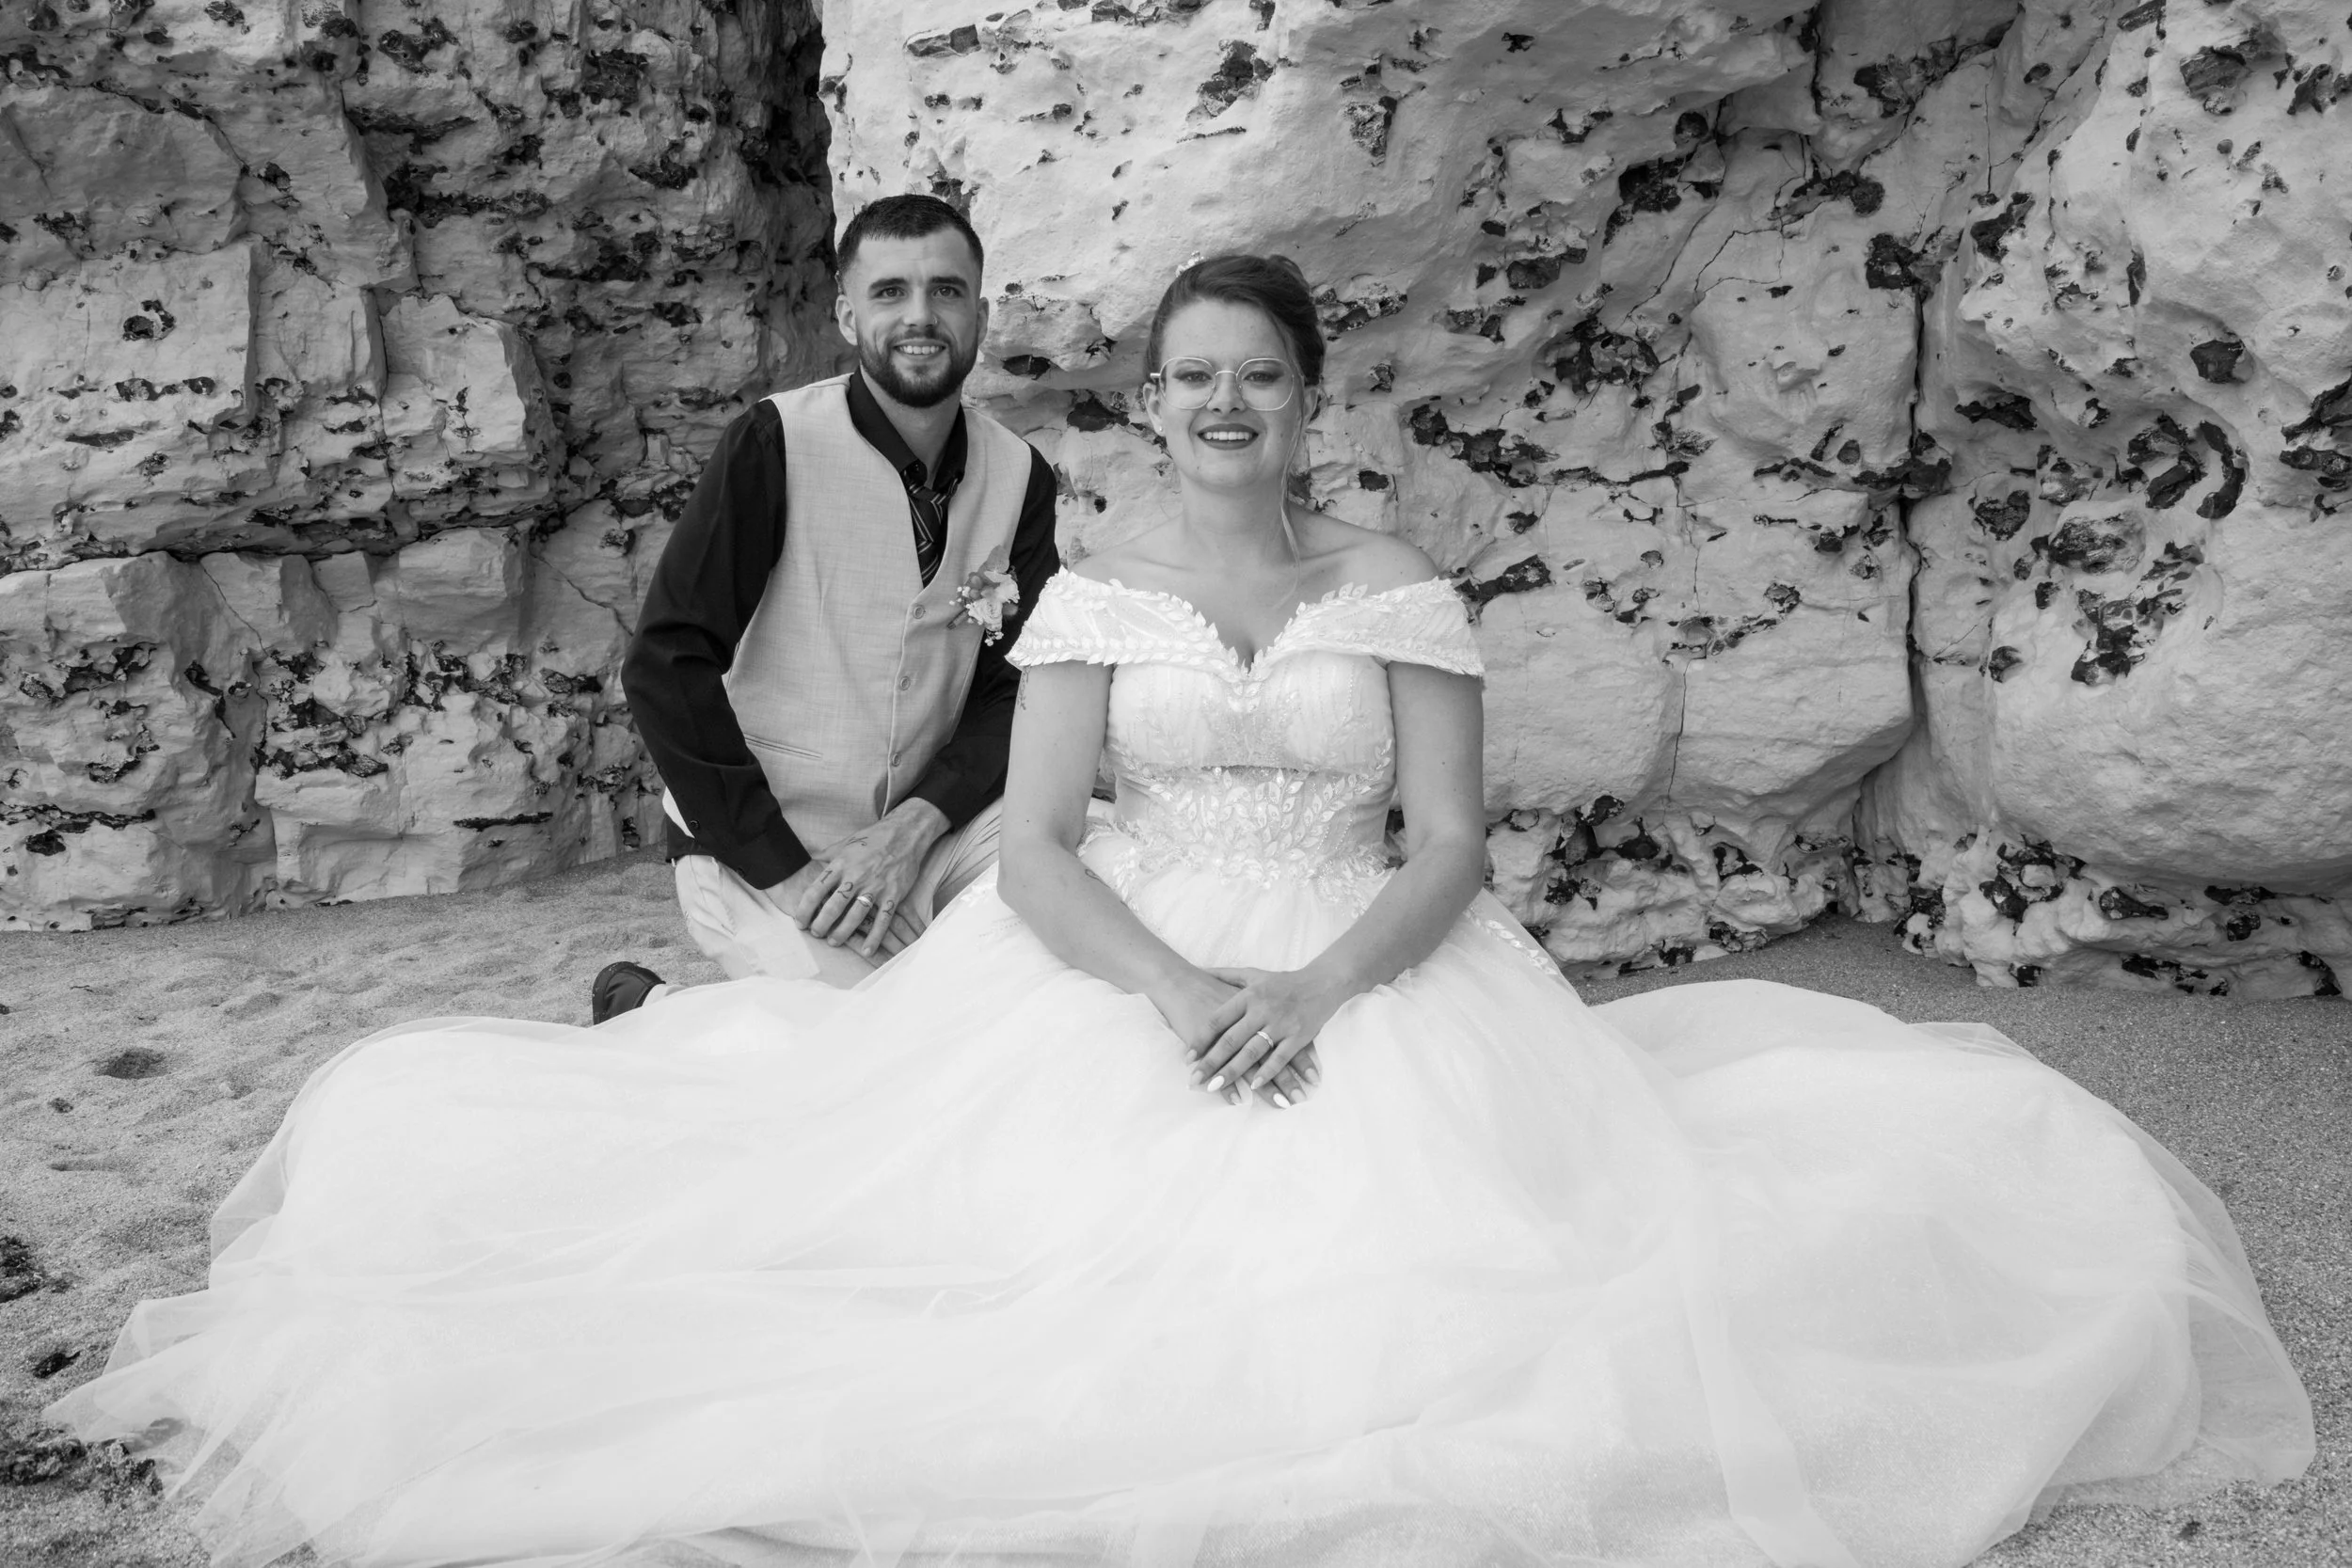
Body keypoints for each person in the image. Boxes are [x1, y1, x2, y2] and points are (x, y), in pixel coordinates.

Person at [49, 256, 2312, 1568]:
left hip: (1365, 955)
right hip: (1111, 956)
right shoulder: (1099, 585)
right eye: (1191, 377)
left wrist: (1305, 989)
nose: (1225, 403)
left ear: (1308, 397)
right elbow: (1036, 838)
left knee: (1503, 1288)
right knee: (918, 1267)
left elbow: (1446, 842)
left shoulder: (1392, 581)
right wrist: (1171, 990)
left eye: (1260, 375)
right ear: (1156, 400)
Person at [596, 192, 1059, 1015]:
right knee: (874, 1038)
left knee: (1062, 962)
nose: (921, 316)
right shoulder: (772, 443)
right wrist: (789, 874)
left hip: (935, 831)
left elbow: (1014, 685)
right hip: (769, 847)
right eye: (890, 292)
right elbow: (668, 664)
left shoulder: (1021, 476)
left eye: (946, 291)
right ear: (848, 315)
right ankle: (652, 1010)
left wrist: (916, 825)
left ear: (981, 316)